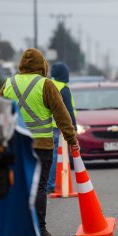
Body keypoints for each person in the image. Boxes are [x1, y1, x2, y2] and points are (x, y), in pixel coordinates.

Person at [0, 48, 79, 236]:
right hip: (42, 144)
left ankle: (17, 230)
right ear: (43, 65)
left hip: (15, 145)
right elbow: (62, 116)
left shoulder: (8, 84)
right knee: (40, 187)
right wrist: (72, 140)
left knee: (18, 187)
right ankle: (40, 230)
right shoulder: (46, 84)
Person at [47, 62, 77, 193]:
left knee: (47, 156)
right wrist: (73, 128)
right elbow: (68, 111)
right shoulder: (63, 88)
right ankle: (51, 184)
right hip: (59, 128)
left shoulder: (48, 85)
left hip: (45, 126)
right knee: (56, 157)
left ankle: (45, 183)